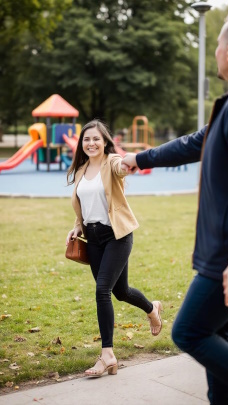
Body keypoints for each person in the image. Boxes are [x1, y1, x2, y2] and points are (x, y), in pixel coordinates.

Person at [122, 11, 228, 405]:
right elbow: (195, 142)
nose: (218, 50)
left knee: (189, 331)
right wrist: (140, 158)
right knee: (218, 332)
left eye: (219, 43)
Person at [66, 120, 162, 378]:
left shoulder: (112, 163)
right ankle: (152, 309)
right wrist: (77, 226)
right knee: (120, 291)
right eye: (86, 139)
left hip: (117, 235)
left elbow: (122, 168)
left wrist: (127, 162)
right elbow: (83, 204)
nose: (91, 143)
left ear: (105, 141)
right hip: (94, 239)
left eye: (96, 139)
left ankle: (107, 355)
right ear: (81, 143)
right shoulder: (81, 169)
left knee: (102, 290)